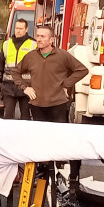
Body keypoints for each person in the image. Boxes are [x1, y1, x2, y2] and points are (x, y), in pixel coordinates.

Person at [12, 25, 89, 190]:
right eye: (38, 36)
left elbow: (82, 70)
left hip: (58, 104)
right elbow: (15, 72)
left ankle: (63, 171)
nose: (39, 39)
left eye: (43, 37)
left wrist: (66, 84)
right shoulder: (31, 56)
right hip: (37, 105)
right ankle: (42, 172)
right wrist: (25, 88)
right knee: (40, 140)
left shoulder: (62, 55)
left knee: (59, 139)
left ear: (51, 40)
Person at [0, 18, 36, 120]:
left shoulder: (33, 44)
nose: (18, 31)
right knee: (8, 115)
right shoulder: (7, 44)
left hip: (26, 87)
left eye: (21, 28)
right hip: (9, 87)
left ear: (26, 30)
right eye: (16, 28)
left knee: (25, 116)